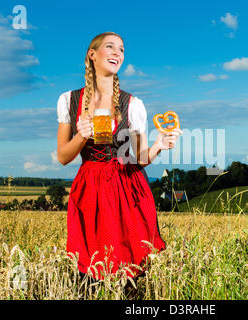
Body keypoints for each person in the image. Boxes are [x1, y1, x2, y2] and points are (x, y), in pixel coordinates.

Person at [56, 32, 182, 282]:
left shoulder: (132, 104)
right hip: (89, 187)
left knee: (130, 266)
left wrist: (158, 145)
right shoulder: (69, 100)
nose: (117, 53)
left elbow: (141, 158)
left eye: (122, 49)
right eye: (110, 47)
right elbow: (62, 156)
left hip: (127, 187)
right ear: (92, 55)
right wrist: (81, 135)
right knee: (89, 267)